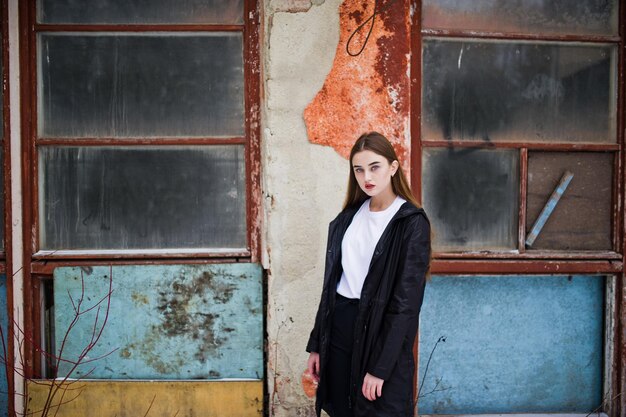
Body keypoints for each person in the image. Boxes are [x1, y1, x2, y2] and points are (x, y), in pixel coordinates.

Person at [305, 132, 431, 417]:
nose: (367, 177)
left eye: (375, 167)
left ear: (393, 167)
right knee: (340, 409)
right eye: (359, 169)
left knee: (378, 410)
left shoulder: (410, 223)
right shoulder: (347, 218)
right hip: (339, 327)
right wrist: (317, 345)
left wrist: (380, 368)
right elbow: (331, 286)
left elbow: (406, 305)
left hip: (380, 333)